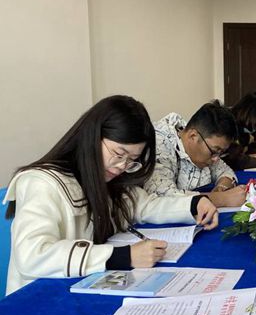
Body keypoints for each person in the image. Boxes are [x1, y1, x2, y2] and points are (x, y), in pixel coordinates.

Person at [3, 95, 219, 295]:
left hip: (81, 286)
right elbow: (32, 255)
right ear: (93, 136)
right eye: (119, 154)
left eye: (132, 160)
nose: (122, 166)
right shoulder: (42, 183)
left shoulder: (107, 176)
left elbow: (144, 206)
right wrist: (122, 256)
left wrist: (194, 204)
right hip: (37, 298)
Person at [144, 102, 246, 208]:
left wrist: (222, 186)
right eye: (214, 151)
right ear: (193, 136)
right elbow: (163, 197)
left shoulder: (206, 146)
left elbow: (225, 171)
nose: (216, 159)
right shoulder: (159, 146)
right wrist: (222, 199)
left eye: (221, 153)